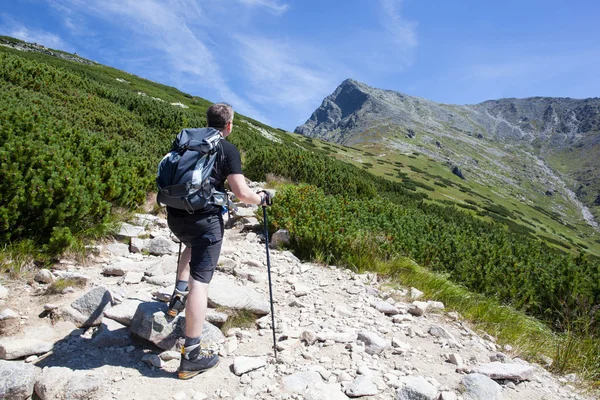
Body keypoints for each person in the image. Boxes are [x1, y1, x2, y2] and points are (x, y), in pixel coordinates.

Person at [165, 102, 272, 380]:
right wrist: (261, 198)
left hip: (175, 215)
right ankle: (191, 356)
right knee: (200, 283)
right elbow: (241, 193)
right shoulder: (227, 148)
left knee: (189, 245)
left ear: (208, 120)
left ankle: (176, 299)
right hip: (206, 221)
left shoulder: (187, 140)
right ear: (229, 125)